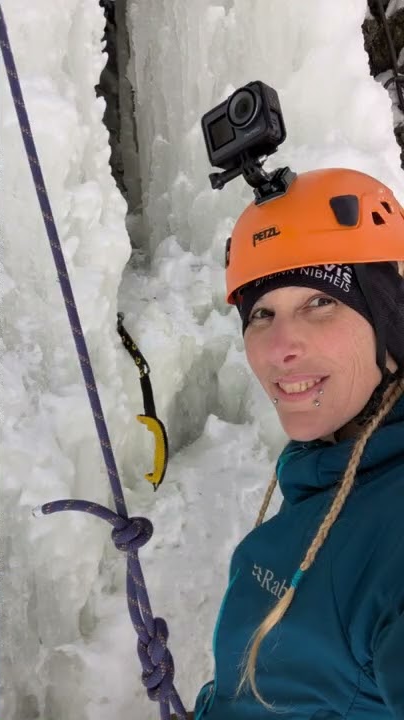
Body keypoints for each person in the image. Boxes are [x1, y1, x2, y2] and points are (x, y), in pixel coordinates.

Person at [192, 168, 404, 717]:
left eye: (320, 302)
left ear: (390, 319)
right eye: (262, 313)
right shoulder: (339, 467)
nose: (282, 346)